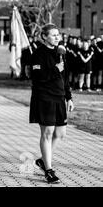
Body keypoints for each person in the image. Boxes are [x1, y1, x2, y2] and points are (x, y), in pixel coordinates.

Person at [29, 23, 74, 184]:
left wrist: (69, 97)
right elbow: (37, 76)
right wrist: (55, 69)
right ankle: (48, 170)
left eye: (58, 35)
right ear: (44, 37)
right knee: (47, 133)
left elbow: (65, 77)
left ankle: (41, 160)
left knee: (60, 134)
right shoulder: (37, 54)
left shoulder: (61, 52)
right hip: (44, 98)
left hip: (60, 97)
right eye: (53, 35)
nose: (57, 37)